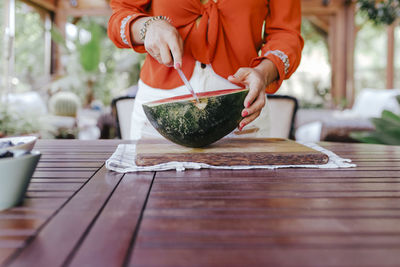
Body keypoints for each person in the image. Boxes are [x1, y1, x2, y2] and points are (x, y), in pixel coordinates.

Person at [108, 0, 303, 140]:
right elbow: (121, 15)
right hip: (157, 123)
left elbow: (286, 34)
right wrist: (148, 26)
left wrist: (263, 73)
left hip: (242, 113)